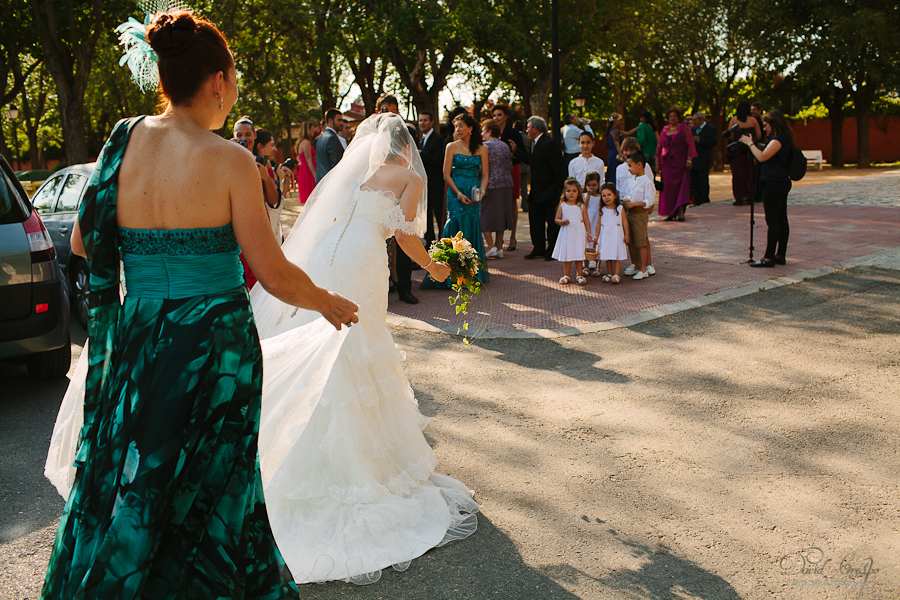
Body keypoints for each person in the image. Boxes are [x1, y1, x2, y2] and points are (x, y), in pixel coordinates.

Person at [41, 10, 358, 598]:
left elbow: (85, 241)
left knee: (140, 481)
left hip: (140, 343)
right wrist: (326, 301)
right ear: (217, 82)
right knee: (216, 492)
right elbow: (273, 272)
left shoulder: (121, 142)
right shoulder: (231, 160)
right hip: (216, 354)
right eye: (233, 79)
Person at [248, 113, 480, 586]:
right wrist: (437, 269)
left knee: (328, 337)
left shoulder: (355, 171)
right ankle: (359, 461)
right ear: (407, 146)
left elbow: (327, 217)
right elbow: (406, 236)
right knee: (360, 340)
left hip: (331, 256)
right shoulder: (409, 176)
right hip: (364, 261)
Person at [421, 113, 490, 288]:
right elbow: (445, 174)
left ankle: (471, 273)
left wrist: (481, 191)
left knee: (472, 227)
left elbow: (485, 174)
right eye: (456, 126)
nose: (457, 129)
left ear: (470, 128)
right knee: (454, 228)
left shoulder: (482, 148)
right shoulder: (451, 147)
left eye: (461, 126)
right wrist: (458, 194)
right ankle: (448, 275)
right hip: (455, 193)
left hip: (474, 194)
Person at [378, 94, 418, 303]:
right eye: (386, 110)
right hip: (378, 202)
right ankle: (384, 284)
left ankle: (405, 287)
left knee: (402, 242)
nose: (390, 114)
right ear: (379, 111)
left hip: (402, 195)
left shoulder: (406, 132)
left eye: (394, 111)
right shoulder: (369, 137)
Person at [741, 110, 794, 267]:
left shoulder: (778, 140)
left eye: (765, 125)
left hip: (773, 182)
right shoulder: (783, 139)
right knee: (781, 219)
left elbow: (762, 156)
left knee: (773, 221)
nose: (764, 129)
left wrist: (749, 144)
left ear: (774, 124)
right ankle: (780, 254)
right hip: (781, 181)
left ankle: (769, 257)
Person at [523, 116, 566, 261]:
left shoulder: (549, 143)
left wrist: (555, 189)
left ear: (535, 129)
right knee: (535, 221)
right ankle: (538, 247)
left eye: (528, 127)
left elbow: (559, 169)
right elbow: (532, 162)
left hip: (549, 192)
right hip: (536, 191)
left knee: (552, 222)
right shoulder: (535, 144)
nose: (527, 130)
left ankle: (552, 250)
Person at [617, 138, 657, 278]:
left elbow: (649, 196)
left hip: (639, 210)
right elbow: (623, 189)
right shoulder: (625, 171)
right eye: (625, 150)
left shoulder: (645, 174)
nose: (628, 153)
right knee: (631, 238)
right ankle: (636, 264)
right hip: (628, 209)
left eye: (631, 150)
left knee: (641, 239)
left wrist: (640, 205)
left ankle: (646, 266)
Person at [492, 103, 528, 251]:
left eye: (499, 115)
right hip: (495, 171)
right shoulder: (490, 132)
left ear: (506, 116)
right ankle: (496, 241)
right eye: (494, 115)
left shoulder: (513, 133)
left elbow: (522, 153)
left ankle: (513, 237)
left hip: (512, 168)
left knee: (513, 202)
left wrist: (512, 152)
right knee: (495, 204)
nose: (496, 118)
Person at [655, 106, 697, 221]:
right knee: (668, 190)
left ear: (679, 118)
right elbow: (659, 147)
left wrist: (689, 160)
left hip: (680, 164)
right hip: (666, 165)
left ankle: (680, 212)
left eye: (674, 116)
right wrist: (657, 163)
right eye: (670, 116)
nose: (672, 118)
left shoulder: (685, 129)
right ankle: (671, 212)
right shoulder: (664, 130)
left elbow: (690, 145)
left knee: (681, 188)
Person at [480, 118, 513, 258]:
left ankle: (490, 245)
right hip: (506, 183)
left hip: (490, 183)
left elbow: (481, 167)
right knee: (501, 216)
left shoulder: (485, 146)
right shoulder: (505, 146)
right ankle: (499, 247)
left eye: (483, 130)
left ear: (489, 131)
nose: (481, 133)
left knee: (484, 215)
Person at [254, 128, 289, 244]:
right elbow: (273, 202)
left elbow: (280, 198)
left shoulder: (269, 165)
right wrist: (277, 179)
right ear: (260, 147)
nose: (275, 149)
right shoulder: (262, 167)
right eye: (272, 145)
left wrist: (285, 179)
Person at [552, 178, 589, 285]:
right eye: (568, 191)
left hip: (579, 232)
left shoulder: (581, 206)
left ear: (578, 192)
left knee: (579, 253)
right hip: (567, 233)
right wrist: (562, 222)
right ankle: (566, 274)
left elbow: (586, 219)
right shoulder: (563, 205)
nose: (571, 193)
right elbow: (556, 219)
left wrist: (589, 233)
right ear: (564, 192)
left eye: (574, 191)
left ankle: (579, 275)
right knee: (567, 254)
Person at [418, 111, 446, 246]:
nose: (422, 123)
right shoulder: (421, 139)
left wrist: (423, 154)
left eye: (425, 120)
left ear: (431, 122)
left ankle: (442, 240)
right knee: (426, 214)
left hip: (436, 184)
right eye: (420, 120)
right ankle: (429, 240)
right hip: (425, 185)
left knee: (439, 215)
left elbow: (440, 160)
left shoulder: (437, 139)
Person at [726, 100, 761, 206]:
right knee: (750, 173)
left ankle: (739, 198)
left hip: (737, 151)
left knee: (737, 175)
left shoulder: (734, 120)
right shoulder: (753, 120)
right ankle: (750, 196)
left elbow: (730, 136)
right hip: (749, 150)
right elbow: (758, 135)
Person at [597, 183, 629, 284]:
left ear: (615, 195)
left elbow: (624, 221)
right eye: (604, 195)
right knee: (607, 254)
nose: (606, 198)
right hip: (605, 234)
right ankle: (610, 273)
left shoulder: (619, 208)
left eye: (609, 195)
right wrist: (595, 236)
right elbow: (598, 224)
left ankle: (616, 274)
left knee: (616, 254)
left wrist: (627, 234)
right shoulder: (602, 210)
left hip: (616, 234)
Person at [690, 112, 717, 206]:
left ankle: (704, 199)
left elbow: (713, 141)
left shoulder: (711, 129)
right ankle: (697, 200)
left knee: (703, 180)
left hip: (704, 159)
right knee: (694, 181)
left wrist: (700, 140)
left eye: (695, 120)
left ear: (702, 120)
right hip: (694, 160)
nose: (693, 122)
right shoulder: (692, 130)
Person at [315, 108, 344, 182]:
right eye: (339, 120)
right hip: (331, 183)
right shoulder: (332, 138)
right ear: (330, 120)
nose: (342, 123)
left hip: (321, 183)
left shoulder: (319, 138)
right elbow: (336, 165)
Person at [583, 171, 603, 275]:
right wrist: (588, 195)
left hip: (597, 220)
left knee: (597, 239)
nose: (592, 187)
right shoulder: (584, 195)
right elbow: (584, 206)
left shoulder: (600, 196)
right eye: (589, 185)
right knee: (588, 239)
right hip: (588, 219)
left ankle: (596, 261)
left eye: (594, 185)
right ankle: (587, 260)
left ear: (598, 184)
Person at [294, 122, 317, 204]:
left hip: (305, 169)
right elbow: (308, 160)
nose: (314, 130)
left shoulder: (302, 142)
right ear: (308, 130)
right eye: (312, 128)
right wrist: (315, 176)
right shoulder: (306, 142)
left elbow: (299, 158)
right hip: (308, 171)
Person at [635, 111, 658, 176]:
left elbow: (641, 139)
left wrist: (636, 148)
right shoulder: (653, 128)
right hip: (654, 154)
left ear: (643, 118)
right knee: (652, 175)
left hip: (645, 153)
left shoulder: (642, 125)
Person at [604, 113, 625, 183]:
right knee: (614, 172)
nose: (621, 122)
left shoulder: (615, 130)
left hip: (613, 153)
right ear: (615, 121)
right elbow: (617, 144)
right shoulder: (614, 131)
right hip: (615, 154)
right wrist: (622, 155)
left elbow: (628, 133)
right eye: (620, 120)